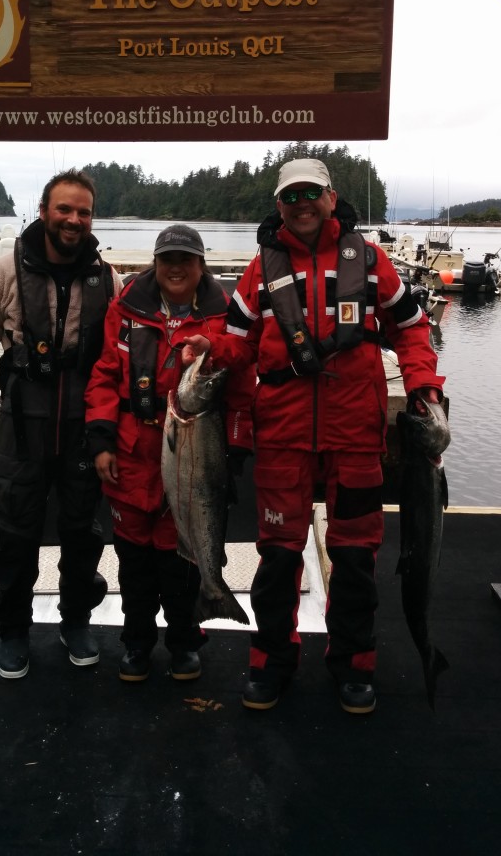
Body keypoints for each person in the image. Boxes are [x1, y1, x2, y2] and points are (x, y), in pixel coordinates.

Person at [184, 157, 445, 713]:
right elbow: (238, 342)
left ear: (331, 197)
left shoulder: (371, 263)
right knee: (278, 556)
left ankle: (354, 663)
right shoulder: (261, 270)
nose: (301, 205)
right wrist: (209, 348)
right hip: (281, 434)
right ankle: (271, 661)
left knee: (354, 556)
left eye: (311, 194)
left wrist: (423, 388)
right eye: (290, 197)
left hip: (356, 434)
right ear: (278, 205)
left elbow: (413, 330)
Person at [0, 169, 123, 679]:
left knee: (82, 532)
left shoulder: (108, 277)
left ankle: (75, 621)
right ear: (43, 211)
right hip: (21, 425)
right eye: (65, 209)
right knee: (14, 532)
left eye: (84, 211)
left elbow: (119, 355)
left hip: (82, 427)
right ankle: (13, 630)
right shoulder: (5, 271)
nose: (74, 220)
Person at [84, 224, 254, 683]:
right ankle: (137, 644)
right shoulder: (126, 310)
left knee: (182, 566)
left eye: (186, 260)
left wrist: (233, 449)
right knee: (135, 569)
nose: (176, 268)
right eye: (167, 260)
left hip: (193, 458)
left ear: (202, 265)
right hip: (132, 459)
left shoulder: (224, 316)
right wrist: (100, 441)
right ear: (155, 265)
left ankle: (184, 642)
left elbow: (240, 387)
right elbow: (103, 376)